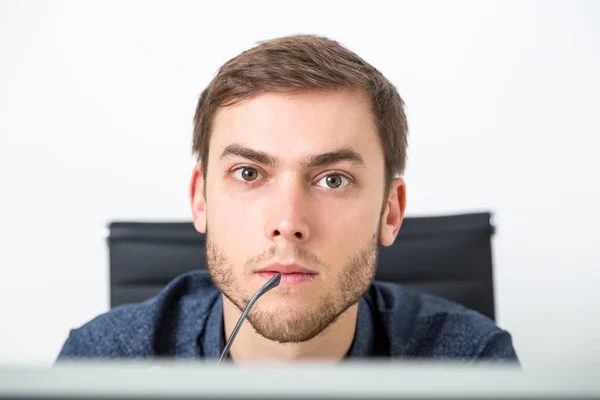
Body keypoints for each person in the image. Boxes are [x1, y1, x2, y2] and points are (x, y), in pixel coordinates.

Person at [57, 34, 518, 362]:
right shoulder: (105, 363)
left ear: (391, 212)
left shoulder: (469, 364)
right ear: (200, 200)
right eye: (249, 172)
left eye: (333, 179)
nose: (288, 222)